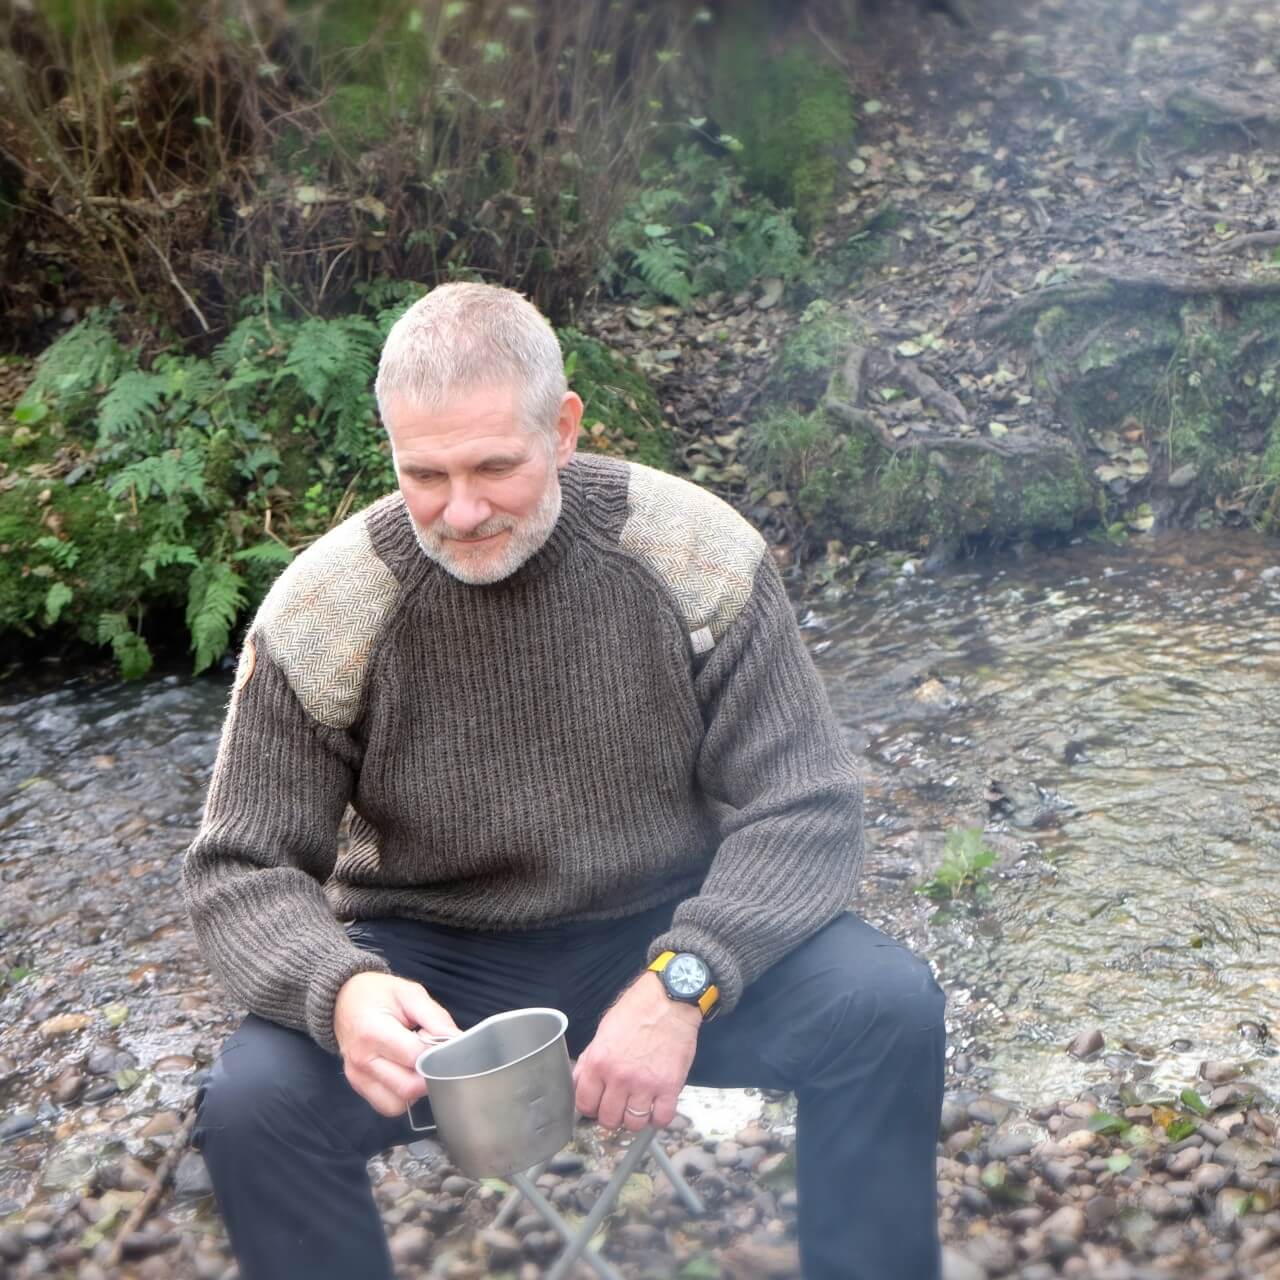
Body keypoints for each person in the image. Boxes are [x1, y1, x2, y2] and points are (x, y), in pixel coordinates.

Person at [183, 282, 945, 1280]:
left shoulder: (690, 552)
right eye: (425, 473)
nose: (460, 511)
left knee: (886, 1007)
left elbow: (803, 803)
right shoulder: (327, 608)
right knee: (251, 1105)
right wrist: (341, 990)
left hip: (663, 920)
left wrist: (686, 976)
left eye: (495, 465)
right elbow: (240, 863)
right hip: (432, 964)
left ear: (565, 427)